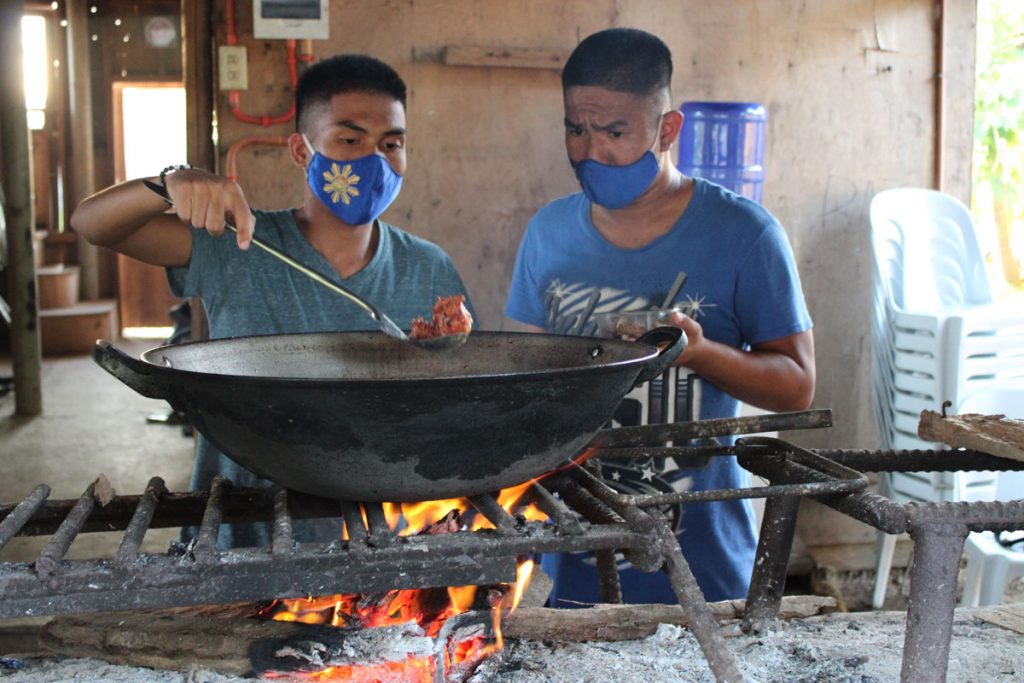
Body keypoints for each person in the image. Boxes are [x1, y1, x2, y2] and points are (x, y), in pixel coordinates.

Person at [72, 54, 473, 548]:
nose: (375, 161)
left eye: (391, 144)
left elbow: (456, 396)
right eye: (349, 141)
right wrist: (167, 183)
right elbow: (92, 225)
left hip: (381, 542)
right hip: (241, 532)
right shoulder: (237, 244)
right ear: (302, 151)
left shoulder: (429, 267)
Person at [505, 28, 815, 604]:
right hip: (569, 565)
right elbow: (528, 381)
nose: (591, 152)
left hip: (703, 569)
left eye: (614, 132)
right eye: (576, 129)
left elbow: (796, 387)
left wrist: (699, 353)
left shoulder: (745, 234)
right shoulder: (547, 232)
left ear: (667, 129)